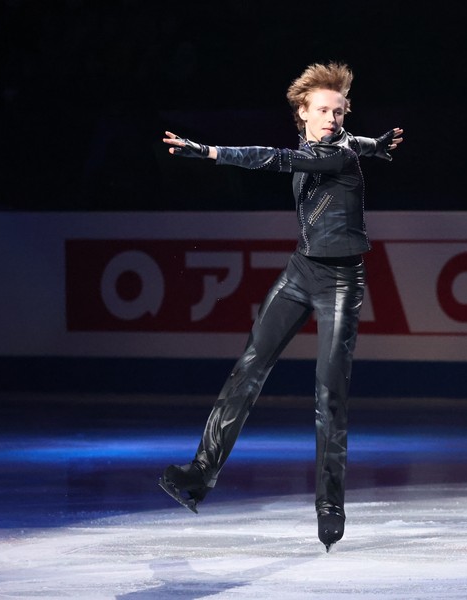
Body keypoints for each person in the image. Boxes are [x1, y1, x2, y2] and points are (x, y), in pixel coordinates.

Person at [158, 62, 403, 552]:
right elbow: (358, 145)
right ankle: (201, 472)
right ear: (303, 113)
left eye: (339, 111)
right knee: (248, 368)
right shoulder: (344, 146)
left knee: (329, 394)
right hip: (300, 272)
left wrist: (210, 152)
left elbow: (274, 159)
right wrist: (377, 145)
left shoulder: (336, 154)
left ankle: (330, 504)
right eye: (324, 110)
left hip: (341, 282)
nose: (332, 118)